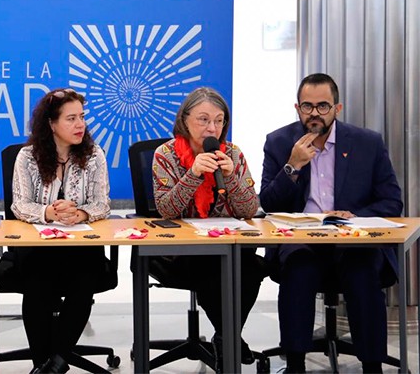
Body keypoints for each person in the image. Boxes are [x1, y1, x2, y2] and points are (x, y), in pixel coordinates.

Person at [259, 73, 402, 374]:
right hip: (302, 241)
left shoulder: (367, 143)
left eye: (323, 106)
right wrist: (292, 165)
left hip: (353, 240)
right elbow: (269, 205)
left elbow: (392, 202)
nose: (314, 113)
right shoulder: (279, 142)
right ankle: (295, 364)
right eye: (307, 106)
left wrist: (355, 216)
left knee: (362, 270)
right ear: (297, 109)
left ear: (337, 109)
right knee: (299, 267)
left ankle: (372, 365)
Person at [151, 86, 264, 369]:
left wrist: (231, 177)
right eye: (203, 119)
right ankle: (231, 340)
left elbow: (250, 209)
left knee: (250, 267)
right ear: (185, 120)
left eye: (218, 120)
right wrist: (193, 175)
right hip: (179, 252)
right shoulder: (165, 155)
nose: (211, 127)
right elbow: (167, 209)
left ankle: (227, 337)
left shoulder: (233, 155)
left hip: (227, 246)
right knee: (212, 267)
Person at [11, 88, 115, 374]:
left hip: (80, 247)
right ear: (51, 124)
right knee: (37, 281)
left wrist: (80, 213)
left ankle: (52, 365)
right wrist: (49, 213)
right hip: (38, 247)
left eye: (82, 117)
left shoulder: (94, 155)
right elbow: (19, 205)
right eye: (71, 119)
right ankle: (45, 363)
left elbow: (102, 204)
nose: (80, 124)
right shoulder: (27, 157)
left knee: (85, 278)